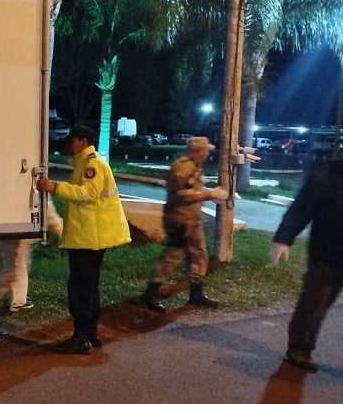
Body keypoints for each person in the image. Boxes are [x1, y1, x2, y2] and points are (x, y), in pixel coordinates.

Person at [36, 125, 130, 354]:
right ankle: (90, 334)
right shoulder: (85, 163)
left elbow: (87, 194)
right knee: (89, 287)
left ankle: (81, 339)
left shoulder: (92, 164)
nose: (68, 144)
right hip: (91, 236)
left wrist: (54, 187)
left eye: (72, 140)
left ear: (83, 141)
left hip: (89, 237)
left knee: (80, 289)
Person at [269, 153, 343, 373]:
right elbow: (301, 208)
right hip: (327, 254)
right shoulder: (327, 173)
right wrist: (284, 239)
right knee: (315, 303)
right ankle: (299, 349)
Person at [141, 136, 227, 312]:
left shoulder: (195, 166)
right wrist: (211, 194)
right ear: (198, 151)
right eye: (205, 151)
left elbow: (194, 190)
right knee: (173, 255)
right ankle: (150, 293)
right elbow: (186, 196)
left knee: (198, 255)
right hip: (180, 220)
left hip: (191, 219)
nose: (207, 154)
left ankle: (196, 293)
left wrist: (208, 195)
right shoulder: (183, 167)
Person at [0, 196, 64, 324]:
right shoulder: (34, 188)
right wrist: (65, 234)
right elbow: (49, 214)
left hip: (18, 232)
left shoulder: (25, 187)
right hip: (13, 233)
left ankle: (19, 301)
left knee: (21, 267)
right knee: (13, 271)